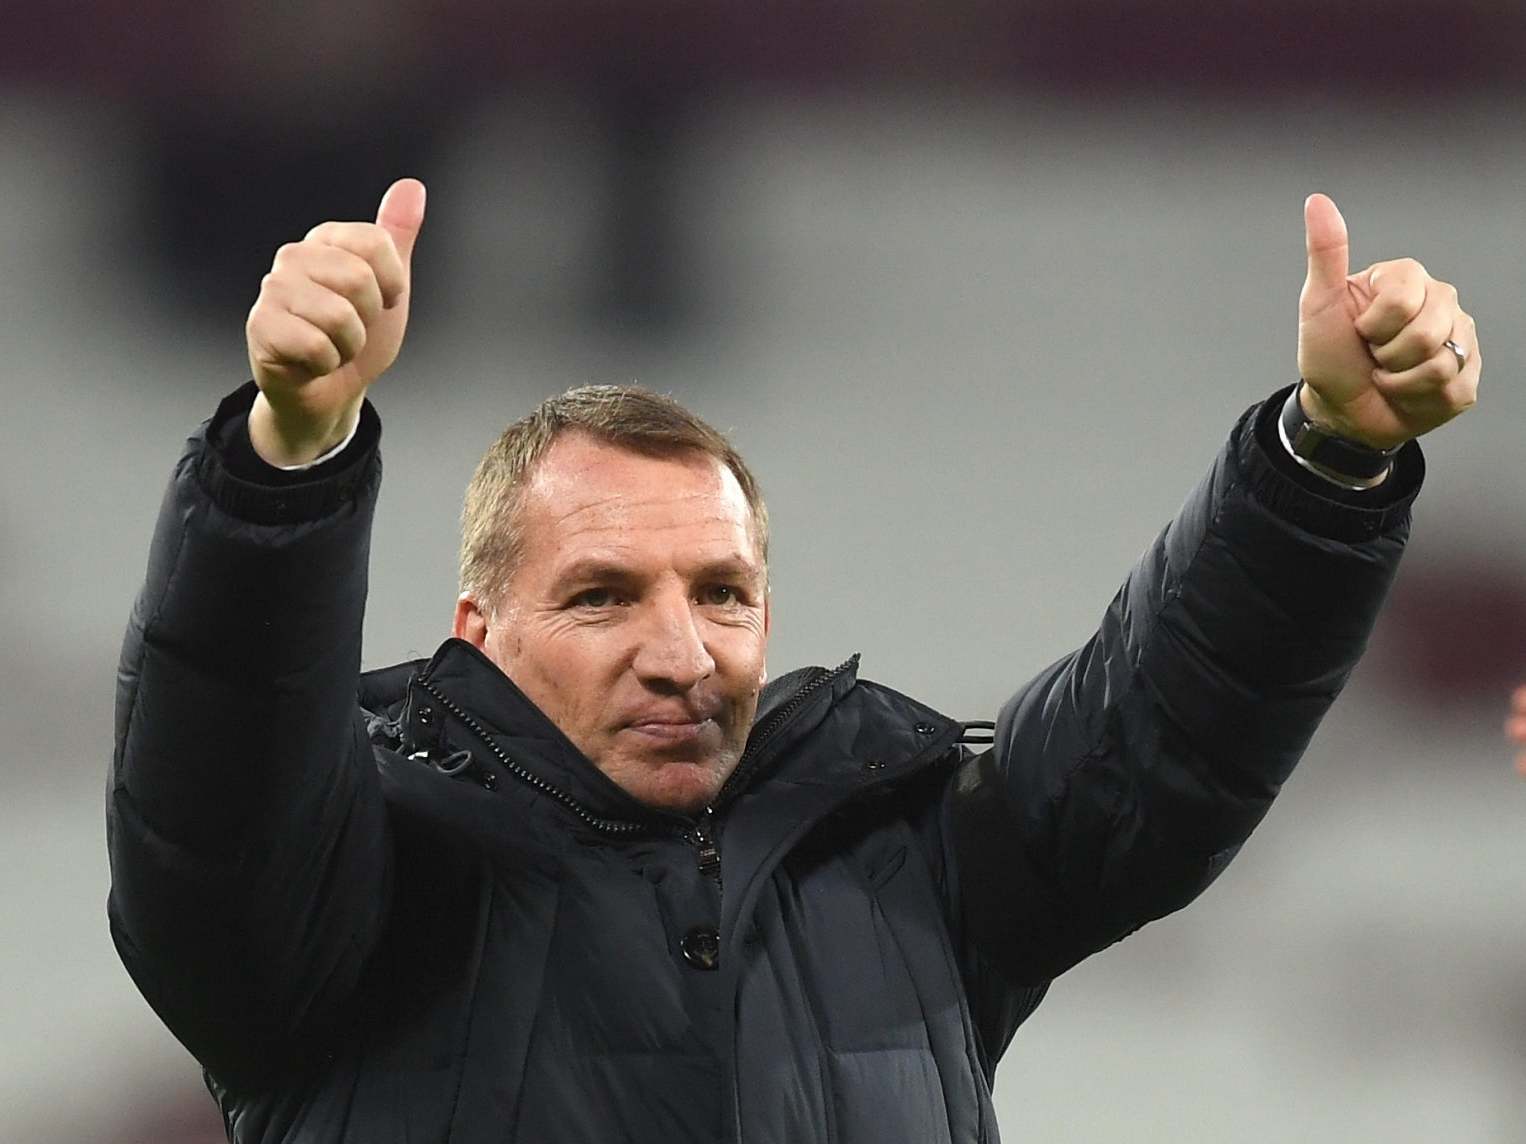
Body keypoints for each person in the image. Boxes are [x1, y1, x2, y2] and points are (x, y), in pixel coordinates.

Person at [108, 177, 1479, 1144]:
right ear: (479, 633)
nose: (678, 650)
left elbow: (1170, 723)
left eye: (721, 592)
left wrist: (1329, 454)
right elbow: (213, 789)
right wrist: (290, 454)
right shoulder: (345, 877)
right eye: (600, 596)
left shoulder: (898, 846)